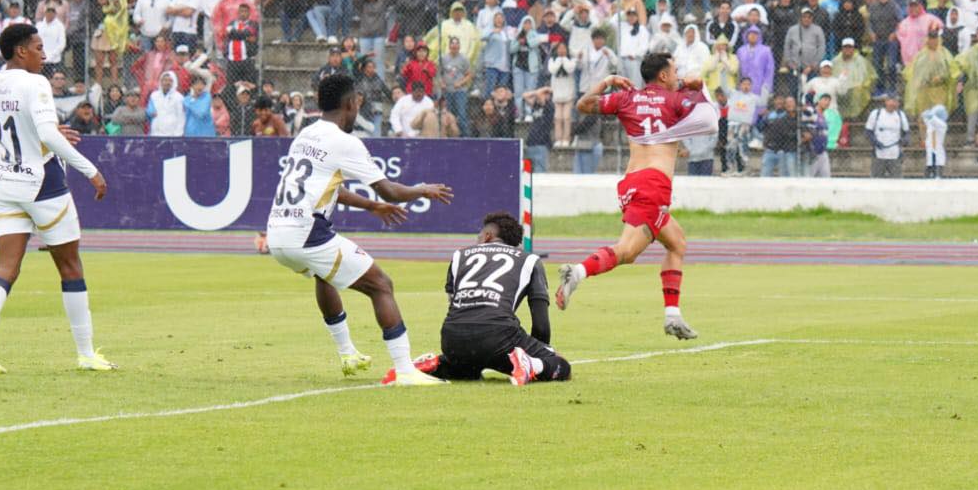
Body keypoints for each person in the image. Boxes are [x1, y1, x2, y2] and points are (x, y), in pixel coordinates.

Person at [265, 75, 453, 385]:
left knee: (324, 274)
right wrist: (422, 189)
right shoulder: (345, 141)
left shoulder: (305, 135)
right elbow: (390, 190)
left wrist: (371, 206)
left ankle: (347, 352)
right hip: (307, 232)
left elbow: (328, 187)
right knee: (381, 284)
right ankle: (405, 370)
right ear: (351, 104)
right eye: (357, 104)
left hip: (277, 233)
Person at [0, 23, 111, 374]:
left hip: (7, 183)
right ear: (21, 51)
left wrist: (33, 141)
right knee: (70, 266)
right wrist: (89, 169)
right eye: (38, 47)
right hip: (44, 182)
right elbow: (46, 133)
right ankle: (86, 353)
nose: (44, 55)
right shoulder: (35, 83)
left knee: (6, 268)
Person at [558, 50, 713, 339]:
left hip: (632, 183)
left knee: (677, 243)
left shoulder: (627, 98)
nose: (678, 75)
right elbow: (711, 120)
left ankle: (672, 316)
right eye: (675, 71)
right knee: (627, 252)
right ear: (664, 75)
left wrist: (606, 81)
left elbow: (583, 104)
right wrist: (698, 86)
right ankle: (577, 272)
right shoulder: (676, 100)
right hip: (654, 184)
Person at [412, 211, 571, 386]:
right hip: (498, 336)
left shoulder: (460, 255)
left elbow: (456, 307)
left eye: (478, 235)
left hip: (452, 339)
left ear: (487, 236)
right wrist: (541, 353)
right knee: (561, 365)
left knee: (468, 369)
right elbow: (541, 324)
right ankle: (530, 364)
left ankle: (439, 363)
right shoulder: (530, 260)